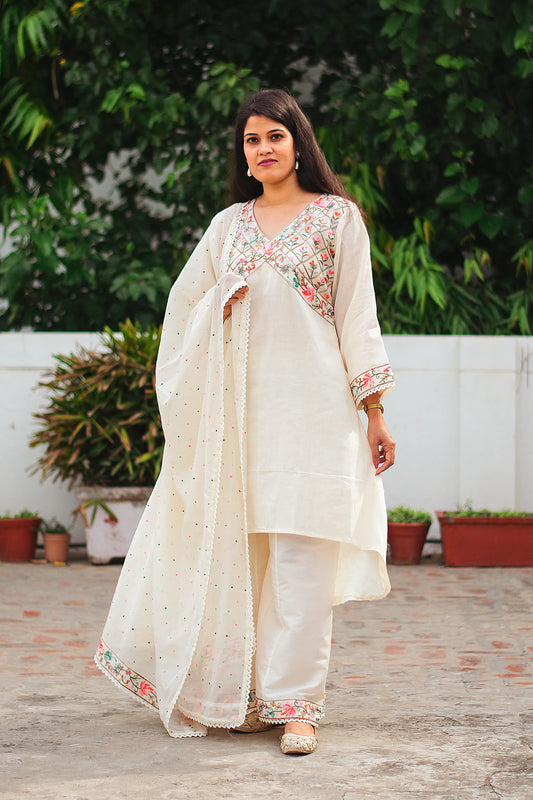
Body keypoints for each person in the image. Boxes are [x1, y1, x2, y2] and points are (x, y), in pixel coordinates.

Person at [95, 89, 396, 756]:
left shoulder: (336, 219)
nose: (262, 149)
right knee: (239, 559)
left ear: (298, 143)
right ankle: (248, 695)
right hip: (236, 423)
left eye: (274, 136)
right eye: (251, 140)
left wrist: (373, 413)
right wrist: (219, 306)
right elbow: (184, 310)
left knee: (300, 564)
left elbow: (357, 318)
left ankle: (297, 708)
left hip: (316, 418)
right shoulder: (227, 227)